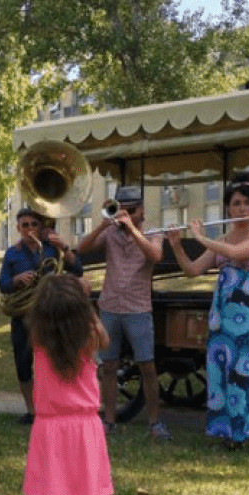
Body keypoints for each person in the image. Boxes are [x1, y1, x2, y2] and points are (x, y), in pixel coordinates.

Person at [166, 176, 249, 453]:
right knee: (224, 371)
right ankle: (230, 432)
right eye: (236, 203)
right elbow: (192, 270)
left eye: (247, 203)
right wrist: (178, 244)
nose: (241, 209)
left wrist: (202, 238)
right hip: (223, 315)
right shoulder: (222, 239)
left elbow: (239, 252)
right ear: (227, 209)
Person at [23, 274, 115, 495]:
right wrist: (86, 303)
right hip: (85, 425)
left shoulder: (39, 336)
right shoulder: (89, 335)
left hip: (49, 425)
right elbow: (107, 340)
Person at [77, 187, 170, 440]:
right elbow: (81, 248)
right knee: (108, 366)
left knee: (147, 367)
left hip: (138, 309)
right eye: (121, 209)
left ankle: (154, 423)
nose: (124, 214)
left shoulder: (153, 232)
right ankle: (108, 420)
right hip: (110, 307)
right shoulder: (109, 232)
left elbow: (156, 255)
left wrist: (132, 229)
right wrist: (101, 225)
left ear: (141, 210)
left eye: (130, 210)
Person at [0, 208, 83, 424]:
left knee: (52, 362)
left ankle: (54, 406)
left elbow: (77, 270)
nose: (29, 229)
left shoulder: (50, 250)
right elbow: (3, 285)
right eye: (24, 225)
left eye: (33, 225)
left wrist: (61, 245)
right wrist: (17, 279)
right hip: (23, 317)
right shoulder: (12, 253)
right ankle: (31, 411)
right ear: (18, 228)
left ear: (40, 227)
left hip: (48, 315)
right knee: (23, 365)